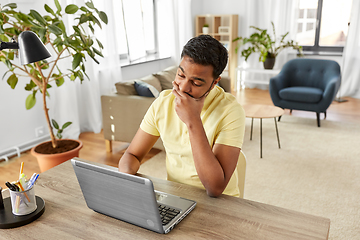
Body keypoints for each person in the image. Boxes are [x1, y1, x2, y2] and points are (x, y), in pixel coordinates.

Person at [118, 35, 245, 197]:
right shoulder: (163, 103)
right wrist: (127, 177)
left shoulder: (231, 111)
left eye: (196, 83)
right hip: (176, 197)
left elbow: (214, 188)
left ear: (214, 83)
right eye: (180, 75)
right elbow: (132, 154)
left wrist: (193, 121)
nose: (184, 87)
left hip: (220, 204)